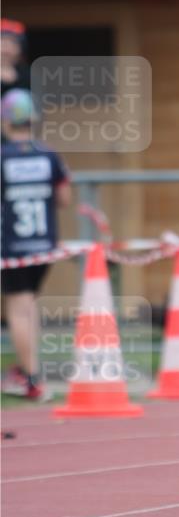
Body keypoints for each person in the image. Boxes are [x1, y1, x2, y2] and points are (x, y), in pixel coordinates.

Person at [1, 89, 71, 400]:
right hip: (43, 245)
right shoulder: (48, 155)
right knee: (29, 306)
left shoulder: (3, 156)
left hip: (12, 246)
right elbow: (63, 198)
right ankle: (30, 370)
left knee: (18, 309)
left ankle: (30, 378)